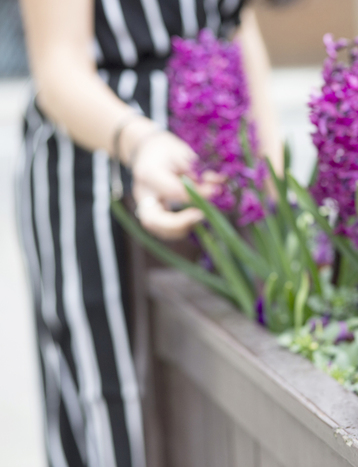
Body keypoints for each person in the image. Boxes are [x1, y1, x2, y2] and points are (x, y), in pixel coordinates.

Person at [17, 0, 281, 465]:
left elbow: (238, 25)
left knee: (222, 398)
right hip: (101, 169)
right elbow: (59, 66)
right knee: (119, 402)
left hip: (222, 171)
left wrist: (271, 172)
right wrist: (141, 142)